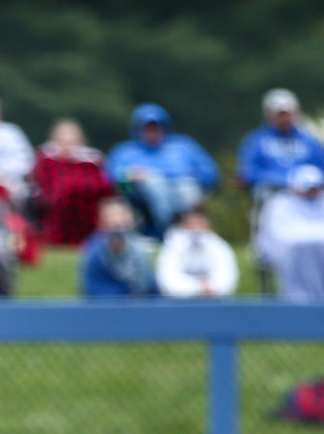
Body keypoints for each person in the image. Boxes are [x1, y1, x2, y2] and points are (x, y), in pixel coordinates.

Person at [105, 104, 218, 234]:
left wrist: (192, 177)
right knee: (155, 185)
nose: (152, 133)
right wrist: (130, 175)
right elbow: (112, 177)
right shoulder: (125, 152)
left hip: (182, 188)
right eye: (147, 129)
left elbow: (210, 172)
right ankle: (167, 230)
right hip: (142, 194)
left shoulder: (183, 146)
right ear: (138, 130)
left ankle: (190, 230)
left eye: (156, 128)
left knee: (187, 188)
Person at [255, 165, 324, 300]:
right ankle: (293, 297)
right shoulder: (278, 204)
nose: (310, 192)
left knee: (320, 247)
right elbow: (275, 237)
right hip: (290, 252)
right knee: (296, 248)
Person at [31, 119, 113, 247]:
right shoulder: (46, 160)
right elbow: (45, 185)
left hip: (87, 205)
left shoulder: (92, 161)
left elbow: (102, 186)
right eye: (63, 140)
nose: (68, 145)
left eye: (72, 141)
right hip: (56, 205)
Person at [237, 89, 324, 194]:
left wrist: (307, 180)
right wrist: (281, 180)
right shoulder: (256, 141)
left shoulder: (310, 141)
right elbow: (248, 171)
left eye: (288, 114)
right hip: (273, 193)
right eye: (280, 115)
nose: (285, 119)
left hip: (308, 193)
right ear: (268, 115)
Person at [79, 198, 157, 297]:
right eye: (112, 216)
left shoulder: (138, 247)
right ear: (102, 220)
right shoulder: (94, 252)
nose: (117, 221)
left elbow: (150, 285)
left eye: (122, 215)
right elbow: (93, 290)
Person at [156, 210, 239, 298]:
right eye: (191, 223)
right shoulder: (172, 245)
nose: (196, 227)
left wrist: (211, 288)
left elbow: (227, 280)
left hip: (214, 303)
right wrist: (200, 287)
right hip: (179, 304)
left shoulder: (219, 246)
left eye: (199, 223)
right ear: (183, 224)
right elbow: (168, 282)